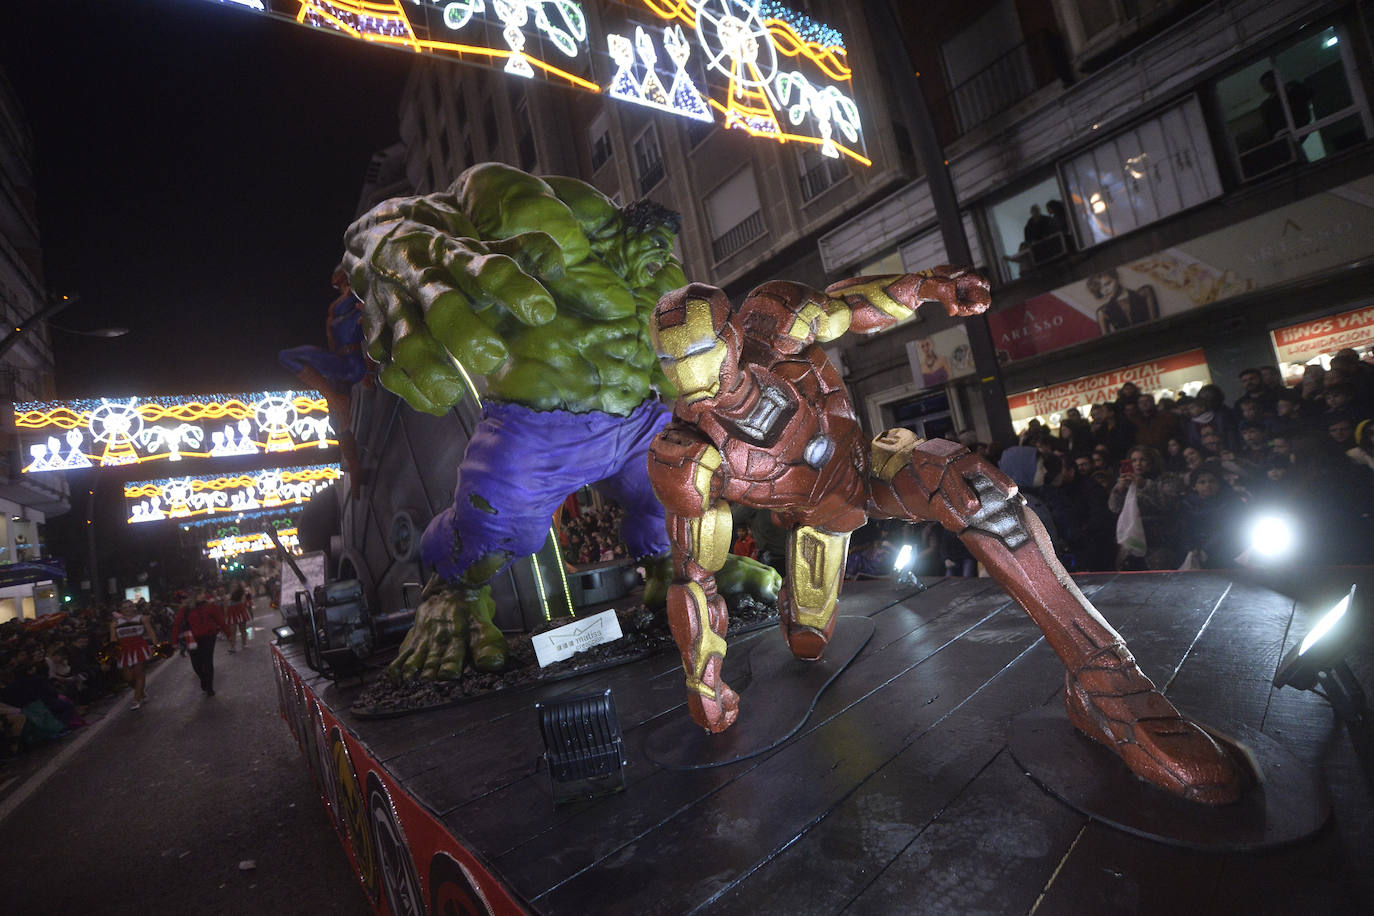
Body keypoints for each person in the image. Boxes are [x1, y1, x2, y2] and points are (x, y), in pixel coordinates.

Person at [645, 268, 1241, 804]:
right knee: (807, 642)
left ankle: (1106, 681)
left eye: (700, 355)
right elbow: (694, 573)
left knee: (975, 488)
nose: (696, 381)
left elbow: (850, 306)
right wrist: (705, 680)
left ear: (729, 337)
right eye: (675, 365)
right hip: (817, 522)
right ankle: (803, 612)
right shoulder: (690, 457)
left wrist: (930, 286)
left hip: (869, 472)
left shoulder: (775, 321)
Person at [1108, 444, 1188, 570]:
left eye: (1142, 460)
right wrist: (1119, 489)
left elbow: (1168, 502)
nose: (1138, 464)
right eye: (1134, 460)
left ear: (1151, 461)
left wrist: (1144, 485)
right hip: (1132, 543)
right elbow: (1114, 508)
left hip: (1159, 543)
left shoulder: (1167, 479)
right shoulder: (1128, 481)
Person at [171, 590, 231, 697]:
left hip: (208, 637)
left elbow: (220, 620)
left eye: (203, 593)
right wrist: (174, 641)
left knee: (208, 661)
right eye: (200, 594)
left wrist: (228, 633)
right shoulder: (186, 609)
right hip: (192, 639)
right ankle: (203, 679)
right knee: (196, 664)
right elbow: (177, 624)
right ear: (195, 596)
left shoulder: (210, 606)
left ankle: (209, 687)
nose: (203, 595)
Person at [110, 599, 157, 709]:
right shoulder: (115, 623)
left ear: (134, 607)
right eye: (125, 607)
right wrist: (111, 653)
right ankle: (140, 691)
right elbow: (113, 639)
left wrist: (156, 645)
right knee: (128, 678)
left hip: (139, 647)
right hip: (123, 650)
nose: (128, 609)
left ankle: (136, 700)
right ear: (121, 610)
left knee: (139, 673)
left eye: (130, 606)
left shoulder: (142, 618)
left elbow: (150, 631)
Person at [1089, 269, 1159, 334]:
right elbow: (1108, 342)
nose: (1105, 290)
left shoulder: (1145, 292)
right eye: (1100, 288)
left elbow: (1156, 325)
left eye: (1108, 284)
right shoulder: (1102, 312)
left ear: (1116, 278)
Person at [224, 586, 253, 653]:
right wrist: (226, 617)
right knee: (232, 632)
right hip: (232, 614)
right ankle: (233, 646)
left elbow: (243, 603)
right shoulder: (227, 597)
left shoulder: (241, 595)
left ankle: (244, 644)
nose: (233, 588)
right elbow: (225, 608)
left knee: (242, 630)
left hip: (240, 613)